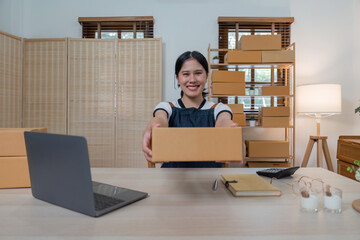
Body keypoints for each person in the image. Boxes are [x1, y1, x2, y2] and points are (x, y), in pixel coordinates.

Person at [142, 50, 237, 168]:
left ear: (207, 76)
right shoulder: (167, 107)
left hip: (210, 182)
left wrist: (233, 133)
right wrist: (153, 127)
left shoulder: (219, 109)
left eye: (198, 73)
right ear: (177, 78)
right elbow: (160, 119)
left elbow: (224, 121)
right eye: (186, 74)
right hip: (171, 181)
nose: (192, 80)